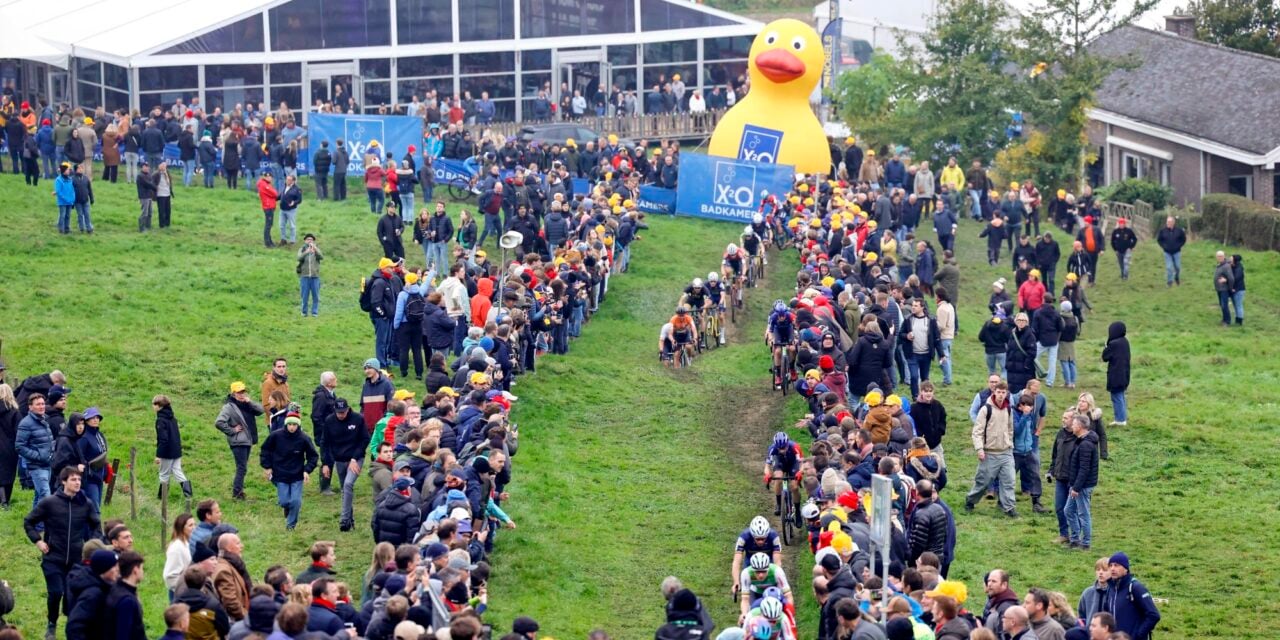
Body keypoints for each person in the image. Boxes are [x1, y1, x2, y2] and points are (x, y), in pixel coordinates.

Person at [24, 466, 101, 640]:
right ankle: (51, 624)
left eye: (79, 479)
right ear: (63, 481)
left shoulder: (85, 504)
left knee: (71, 596)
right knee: (56, 592)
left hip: (76, 559)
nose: (77, 482)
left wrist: (91, 544)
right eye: (73, 479)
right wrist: (38, 541)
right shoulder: (49, 503)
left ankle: (73, 626)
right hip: (53, 557)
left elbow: (96, 524)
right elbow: (29, 521)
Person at [964, 381, 1017, 517]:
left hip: (1006, 452)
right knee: (983, 482)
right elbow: (977, 431)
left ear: (1006, 394)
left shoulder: (1009, 409)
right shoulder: (986, 409)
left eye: (1003, 392)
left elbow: (1010, 428)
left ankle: (1009, 507)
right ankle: (970, 500)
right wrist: (979, 449)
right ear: (994, 392)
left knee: (1009, 481)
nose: (1000, 395)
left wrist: (1009, 442)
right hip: (989, 452)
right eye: (998, 392)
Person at [259, 412, 318, 530]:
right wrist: (267, 466)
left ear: (298, 425)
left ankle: (290, 526)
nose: (292, 427)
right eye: (290, 424)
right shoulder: (275, 436)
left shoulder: (304, 438)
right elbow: (265, 450)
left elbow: (313, 456)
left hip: (297, 475)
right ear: (286, 424)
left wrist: (307, 470)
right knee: (284, 501)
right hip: (280, 474)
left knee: (296, 501)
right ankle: (287, 507)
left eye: (294, 425)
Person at [321, 398, 368, 532]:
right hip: (339, 459)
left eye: (343, 412)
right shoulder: (329, 421)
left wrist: (354, 458)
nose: (341, 414)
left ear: (348, 409)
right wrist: (325, 463)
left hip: (355, 459)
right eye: (338, 412)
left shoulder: (358, 419)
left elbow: (365, 439)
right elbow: (324, 442)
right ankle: (350, 521)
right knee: (345, 489)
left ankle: (344, 519)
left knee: (348, 484)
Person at [215, 381, 264, 501]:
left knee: (242, 467)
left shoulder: (247, 404)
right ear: (233, 394)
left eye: (243, 391)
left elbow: (261, 410)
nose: (241, 394)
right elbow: (219, 422)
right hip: (238, 441)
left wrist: (250, 402)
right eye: (239, 392)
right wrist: (232, 430)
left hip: (247, 440)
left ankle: (238, 493)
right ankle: (237, 494)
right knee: (242, 468)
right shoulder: (229, 407)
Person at [1102, 553, 1159, 640]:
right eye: (1110, 565)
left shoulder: (1135, 587)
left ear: (1126, 569)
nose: (1112, 568)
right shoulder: (1110, 588)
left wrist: (1138, 636)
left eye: (1116, 565)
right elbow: (1106, 615)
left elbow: (1153, 615)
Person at [898, 298, 945, 400]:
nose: (913, 308)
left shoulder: (930, 320)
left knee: (925, 378)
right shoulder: (908, 319)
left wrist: (941, 354)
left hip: (926, 354)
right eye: (913, 305)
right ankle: (915, 397)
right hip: (912, 354)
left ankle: (925, 396)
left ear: (922, 307)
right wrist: (907, 336)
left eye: (916, 306)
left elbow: (936, 338)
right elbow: (900, 334)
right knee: (914, 376)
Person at [1064, 414, 1099, 549]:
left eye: (1073, 424)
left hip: (1082, 486)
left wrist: (1076, 488)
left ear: (1079, 426)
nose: (1072, 426)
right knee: (1068, 510)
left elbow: (1084, 469)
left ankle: (1086, 543)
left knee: (1083, 514)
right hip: (1077, 485)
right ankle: (1075, 539)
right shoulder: (1083, 441)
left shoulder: (1085, 445)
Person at [17, 393, 55, 506]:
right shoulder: (26, 423)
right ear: (30, 407)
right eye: (38, 404)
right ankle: (41, 524)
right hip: (36, 466)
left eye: (43, 404)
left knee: (39, 495)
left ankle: (32, 522)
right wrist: (38, 456)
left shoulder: (45, 420)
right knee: (45, 495)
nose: (41, 406)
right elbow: (19, 446)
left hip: (47, 464)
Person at [153, 394, 192, 500]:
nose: (153, 406)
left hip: (167, 452)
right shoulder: (172, 418)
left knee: (164, 474)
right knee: (177, 471)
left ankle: (162, 498)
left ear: (159, 406)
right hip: (176, 450)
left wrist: (158, 455)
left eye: (154, 404)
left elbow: (163, 439)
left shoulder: (160, 420)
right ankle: (188, 495)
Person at [1100, 321, 1129, 427]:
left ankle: (1120, 420)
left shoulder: (1114, 344)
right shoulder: (1125, 341)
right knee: (1121, 395)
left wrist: (1106, 347)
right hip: (1124, 373)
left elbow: (1105, 357)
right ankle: (1122, 417)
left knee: (1116, 396)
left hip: (1116, 374)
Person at [164, 514, 195, 599]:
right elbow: (170, 576)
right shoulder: (176, 548)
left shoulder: (186, 544)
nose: (194, 528)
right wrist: (185, 591)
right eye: (190, 525)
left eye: (194, 524)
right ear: (182, 528)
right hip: (179, 594)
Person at [297, 234, 323, 317]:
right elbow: (299, 258)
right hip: (304, 276)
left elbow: (321, 257)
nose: (310, 241)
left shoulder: (316, 250)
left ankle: (314, 312)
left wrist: (315, 249)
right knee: (304, 296)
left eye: (311, 239)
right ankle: (304, 312)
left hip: (315, 277)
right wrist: (306, 252)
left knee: (316, 296)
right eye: (308, 239)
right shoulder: (302, 249)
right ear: (305, 241)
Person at [1155, 216, 1185, 287]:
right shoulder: (1163, 231)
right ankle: (1169, 282)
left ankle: (1176, 277)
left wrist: (1179, 245)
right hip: (1167, 252)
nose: (1168, 223)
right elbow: (1159, 240)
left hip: (1176, 252)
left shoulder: (1179, 231)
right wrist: (1163, 246)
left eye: (1170, 222)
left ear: (1173, 223)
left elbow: (1183, 239)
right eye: (1167, 222)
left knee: (1177, 267)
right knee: (1169, 267)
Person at [278, 175, 303, 246]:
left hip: (291, 210)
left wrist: (294, 202)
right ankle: (283, 239)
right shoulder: (285, 186)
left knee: (292, 226)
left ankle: (292, 240)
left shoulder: (297, 189)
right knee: (281, 225)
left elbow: (299, 200)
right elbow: (281, 195)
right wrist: (273, 198)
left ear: (293, 181)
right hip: (282, 209)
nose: (287, 181)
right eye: (287, 179)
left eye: (289, 180)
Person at [258, 173, 279, 248]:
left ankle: (269, 241)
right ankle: (268, 243)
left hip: (268, 206)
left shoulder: (264, 184)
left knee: (269, 225)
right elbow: (274, 193)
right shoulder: (265, 185)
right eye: (270, 177)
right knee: (268, 225)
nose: (271, 179)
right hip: (268, 206)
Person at [136, 162, 157, 232]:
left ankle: (148, 226)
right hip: (144, 196)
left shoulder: (149, 175)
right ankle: (141, 228)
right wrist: (156, 188)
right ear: (142, 167)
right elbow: (148, 184)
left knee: (150, 212)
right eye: (145, 166)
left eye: (148, 166)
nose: (147, 168)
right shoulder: (140, 176)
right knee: (144, 212)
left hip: (149, 196)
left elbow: (152, 183)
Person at [1229, 254, 1246, 326]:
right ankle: (1237, 319)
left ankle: (1239, 321)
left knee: (1238, 305)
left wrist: (1234, 288)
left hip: (1239, 290)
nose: (1230, 260)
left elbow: (1236, 278)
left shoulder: (1239, 268)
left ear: (1235, 260)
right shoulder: (1234, 266)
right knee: (1236, 305)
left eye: (1231, 259)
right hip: (1235, 289)